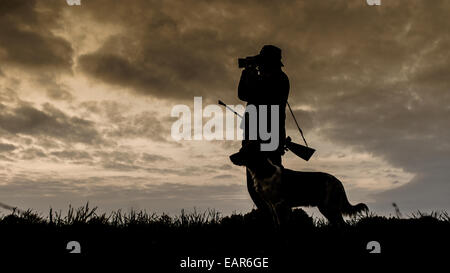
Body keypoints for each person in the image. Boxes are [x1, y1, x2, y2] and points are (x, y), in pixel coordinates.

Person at [237, 45, 290, 211]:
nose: (259, 64)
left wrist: (249, 71)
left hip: (267, 135)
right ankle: (270, 218)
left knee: (273, 185)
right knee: (256, 184)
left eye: (262, 61)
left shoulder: (278, 79)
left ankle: (277, 221)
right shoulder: (275, 78)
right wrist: (249, 71)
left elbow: (248, 93)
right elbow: (243, 94)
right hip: (257, 134)